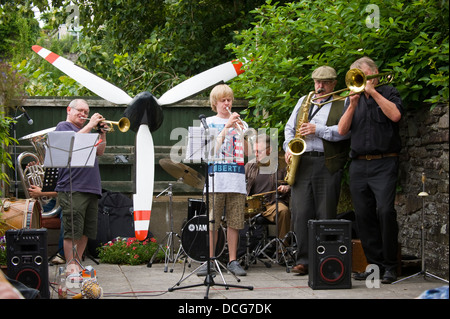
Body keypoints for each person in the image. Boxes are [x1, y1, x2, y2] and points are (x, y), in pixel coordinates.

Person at [338, 56, 403, 284]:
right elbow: (342, 130)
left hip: (384, 162)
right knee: (363, 216)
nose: (361, 79)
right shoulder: (352, 99)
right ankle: (374, 266)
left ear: (374, 73)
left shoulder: (389, 92)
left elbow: (395, 115)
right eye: (357, 76)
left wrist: (373, 93)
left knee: (385, 212)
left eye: (363, 74)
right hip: (358, 164)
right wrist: (353, 104)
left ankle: (390, 266)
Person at [283, 66, 350, 275]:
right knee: (301, 212)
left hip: (326, 162)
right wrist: (287, 147)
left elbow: (344, 133)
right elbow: (289, 128)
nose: (320, 87)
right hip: (302, 162)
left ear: (334, 83)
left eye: (325, 83)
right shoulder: (304, 100)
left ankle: (325, 260)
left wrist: (317, 129)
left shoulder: (344, 101)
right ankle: (303, 259)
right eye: (317, 83)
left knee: (326, 212)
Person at [54, 99, 108, 281]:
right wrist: (91, 124)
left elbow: (99, 152)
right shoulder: (64, 126)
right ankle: (70, 267)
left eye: (86, 111)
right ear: (69, 110)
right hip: (73, 186)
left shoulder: (87, 132)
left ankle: (77, 265)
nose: (84, 114)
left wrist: (102, 134)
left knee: (86, 230)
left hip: (91, 186)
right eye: (80, 111)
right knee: (72, 229)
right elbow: (72, 144)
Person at [198, 84, 247, 276]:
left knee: (235, 222)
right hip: (216, 180)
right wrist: (227, 127)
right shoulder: (208, 122)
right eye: (223, 100)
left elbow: (247, 153)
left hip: (236, 179)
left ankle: (233, 260)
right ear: (215, 103)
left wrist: (242, 133)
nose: (227, 103)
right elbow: (209, 152)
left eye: (229, 100)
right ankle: (211, 260)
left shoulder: (242, 124)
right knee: (212, 222)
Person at [245, 134, 291, 241]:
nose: (255, 154)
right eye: (254, 151)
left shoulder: (282, 165)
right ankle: (240, 251)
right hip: (253, 205)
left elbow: (294, 184)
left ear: (269, 150)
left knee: (283, 211)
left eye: (259, 151)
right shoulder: (249, 166)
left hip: (272, 204)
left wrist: (287, 187)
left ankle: (282, 250)